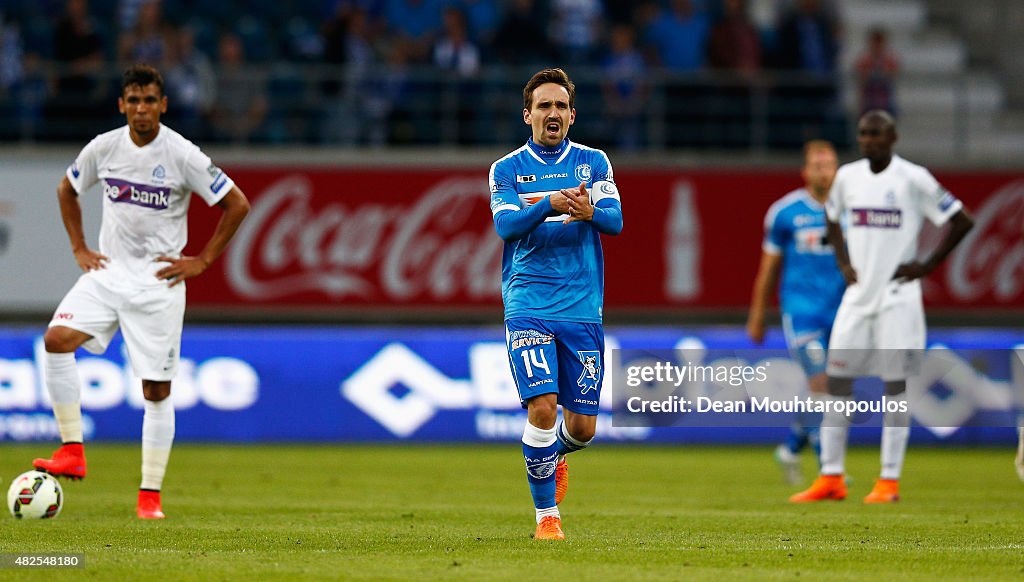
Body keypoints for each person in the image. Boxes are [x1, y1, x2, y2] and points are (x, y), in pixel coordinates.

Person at [31, 64, 251, 519]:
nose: (141, 109)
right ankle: (72, 449)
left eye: (149, 100)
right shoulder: (104, 147)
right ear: (121, 105)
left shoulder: (183, 154)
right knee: (55, 341)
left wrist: (203, 260)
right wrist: (79, 246)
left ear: (163, 105)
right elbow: (66, 190)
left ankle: (149, 496)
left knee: (155, 390)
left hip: (157, 285)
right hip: (108, 274)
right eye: (133, 100)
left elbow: (236, 203)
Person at [790, 110, 974, 504]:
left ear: (892, 137)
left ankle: (888, 481)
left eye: (876, 134)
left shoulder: (913, 178)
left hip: (898, 299)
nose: (868, 140)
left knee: (896, 390)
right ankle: (831, 477)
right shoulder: (847, 178)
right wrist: (843, 262)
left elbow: (962, 220)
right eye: (863, 134)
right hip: (857, 298)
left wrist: (927, 265)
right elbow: (832, 217)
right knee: (837, 384)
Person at [488, 68, 623, 540]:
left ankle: (554, 454)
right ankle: (548, 519)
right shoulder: (506, 170)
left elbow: (615, 220)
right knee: (542, 407)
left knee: (582, 428)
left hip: (582, 306)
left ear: (571, 115)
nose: (553, 113)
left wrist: (589, 211)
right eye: (543, 105)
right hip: (528, 300)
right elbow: (506, 228)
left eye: (560, 106)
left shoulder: (594, 162)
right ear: (527, 114)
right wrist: (550, 203)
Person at [747, 140, 844, 485]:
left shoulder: (850, 210)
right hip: (802, 312)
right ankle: (828, 469)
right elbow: (769, 269)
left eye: (828, 164)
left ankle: (790, 448)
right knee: (823, 385)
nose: (823, 170)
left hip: (843, 312)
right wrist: (758, 315)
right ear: (805, 172)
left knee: (832, 389)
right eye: (816, 165)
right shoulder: (785, 213)